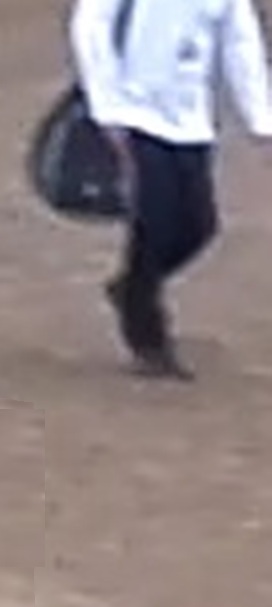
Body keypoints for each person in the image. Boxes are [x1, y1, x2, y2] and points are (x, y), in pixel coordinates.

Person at [71, 0, 272, 379]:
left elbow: (240, 43)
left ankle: (134, 287)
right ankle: (147, 338)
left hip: (191, 118)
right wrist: (108, 108)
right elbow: (92, 24)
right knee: (155, 223)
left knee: (200, 225)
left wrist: (261, 119)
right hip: (136, 113)